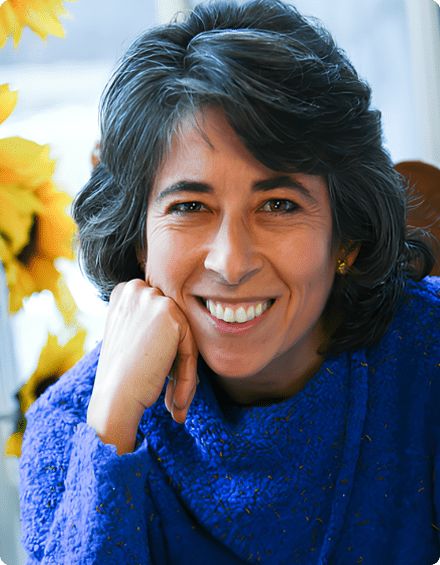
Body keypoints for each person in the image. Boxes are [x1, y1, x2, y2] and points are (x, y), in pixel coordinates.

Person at [19, 1, 440, 563]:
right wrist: (112, 425)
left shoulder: (429, 361)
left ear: (347, 237)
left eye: (279, 205)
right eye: (191, 205)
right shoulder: (73, 426)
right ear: (138, 240)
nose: (232, 261)